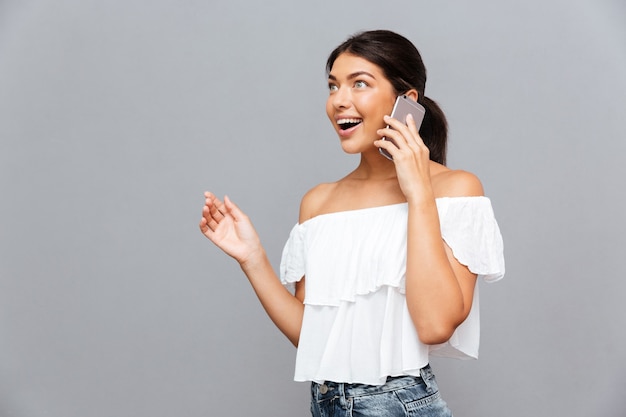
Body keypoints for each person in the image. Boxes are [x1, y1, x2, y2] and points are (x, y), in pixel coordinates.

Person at [199, 29, 505, 417]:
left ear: (407, 102)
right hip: (326, 404)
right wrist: (252, 259)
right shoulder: (318, 202)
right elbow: (315, 339)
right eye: (333, 86)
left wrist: (419, 195)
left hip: (397, 404)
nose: (339, 101)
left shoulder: (454, 189)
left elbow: (435, 326)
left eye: (359, 83)